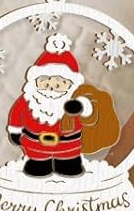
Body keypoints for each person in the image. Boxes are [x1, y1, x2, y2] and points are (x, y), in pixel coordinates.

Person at [6, 34, 96, 178]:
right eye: (45, 83)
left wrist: (80, 107)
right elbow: (17, 113)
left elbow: (88, 110)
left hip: (68, 145)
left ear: (70, 85)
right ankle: (38, 164)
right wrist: (15, 130)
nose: (51, 88)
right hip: (35, 145)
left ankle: (68, 164)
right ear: (35, 81)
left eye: (59, 84)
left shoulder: (74, 99)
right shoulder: (29, 99)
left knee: (69, 165)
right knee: (37, 166)